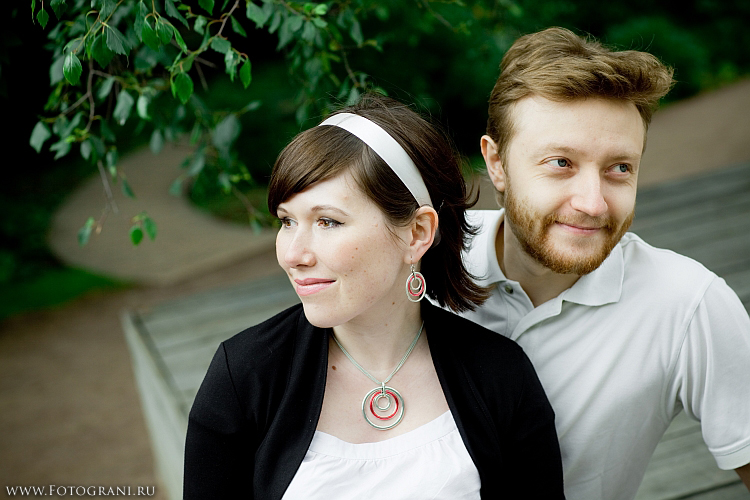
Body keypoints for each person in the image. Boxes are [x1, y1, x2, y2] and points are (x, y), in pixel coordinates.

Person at [183, 94, 565, 499]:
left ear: (417, 233)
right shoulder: (244, 376)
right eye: (286, 221)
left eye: (327, 221)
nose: (293, 255)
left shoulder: (499, 375)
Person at [457, 26, 750, 499]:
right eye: (561, 163)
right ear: (496, 163)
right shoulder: (414, 262)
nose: (593, 204)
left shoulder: (689, 306)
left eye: (619, 168)